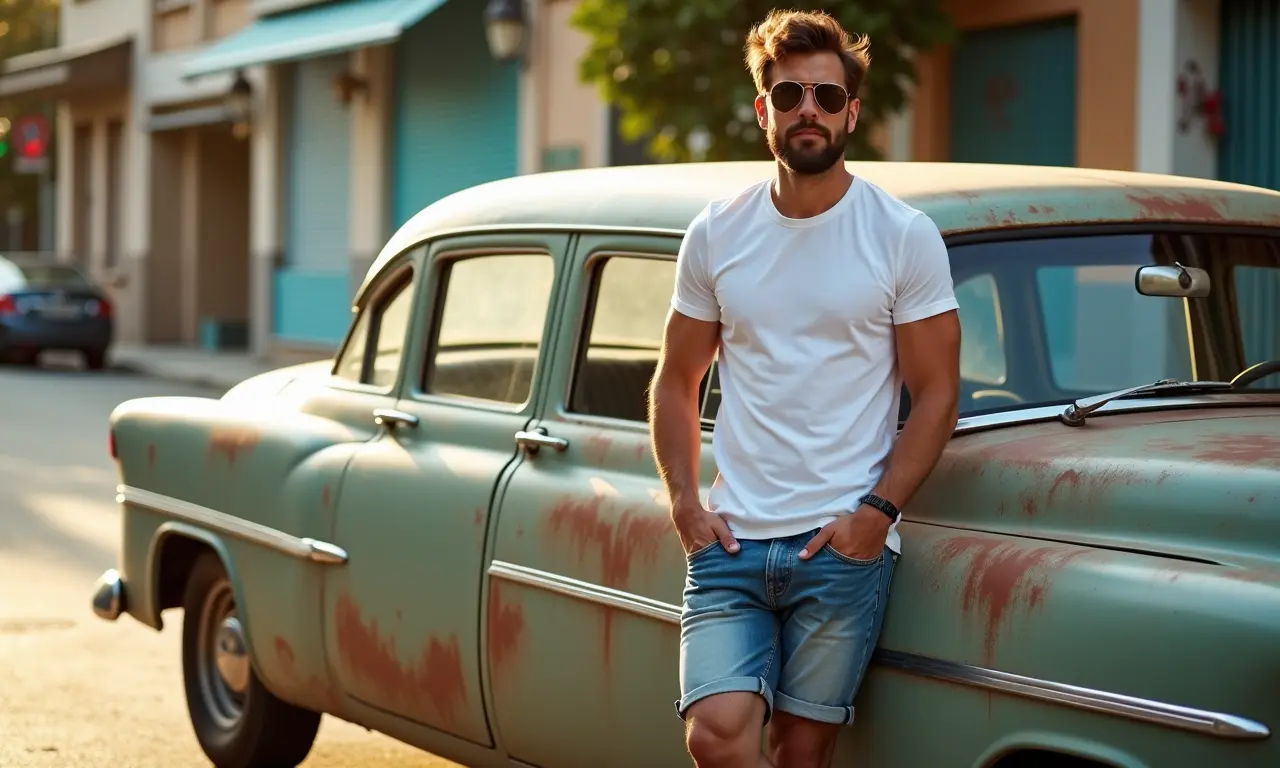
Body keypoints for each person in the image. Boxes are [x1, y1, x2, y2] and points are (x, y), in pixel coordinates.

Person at [647, 8, 962, 768]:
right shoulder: (717, 233)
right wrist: (686, 502)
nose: (808, 111)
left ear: (852, 111)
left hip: (842, 547)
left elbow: (938, 392)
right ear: (764, 111)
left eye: (826, 96)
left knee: (801, 750)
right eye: (789, 96)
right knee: (716, 736)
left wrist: (875, 516)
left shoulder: (901, 235)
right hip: (732, 539)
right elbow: (676, 381)